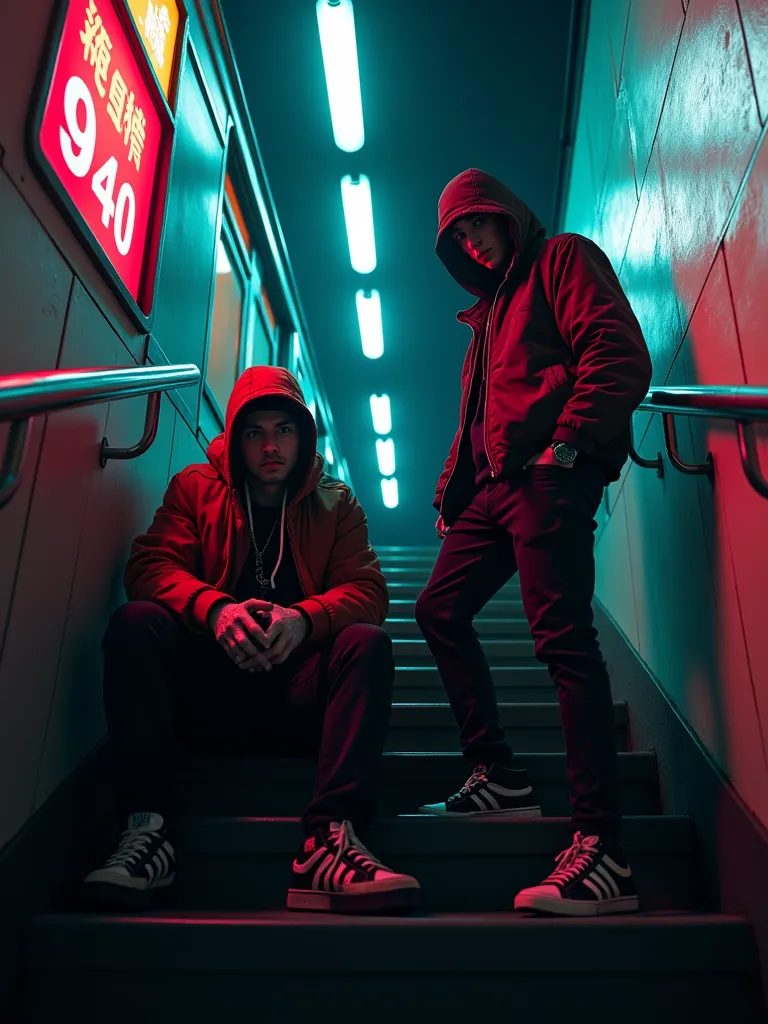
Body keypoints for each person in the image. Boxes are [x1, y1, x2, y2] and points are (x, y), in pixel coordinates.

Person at [82, 365, 421, 915]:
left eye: (284, 431)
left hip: (298, 701)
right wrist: (215, 610)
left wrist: (304, 620)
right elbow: (149, 566)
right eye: (254, 432)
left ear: (303, 438)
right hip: (209, 695)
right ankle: (149, 831)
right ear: (235, 438)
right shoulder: (196, 487)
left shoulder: (337, 503)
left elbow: (368, 590)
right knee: (136, 623)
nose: (270, 446)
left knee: (367, 642)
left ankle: (328, 841)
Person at [415, 168, 652, 916]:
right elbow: (479, 418)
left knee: (563, 644)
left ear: (506, 214)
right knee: (437, 609)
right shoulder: (486, 318)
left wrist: (570, 447)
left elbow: (619, 356)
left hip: (550, 476)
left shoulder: (563, 260)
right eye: (458, 238)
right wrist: (453, 494)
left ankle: (603, 849)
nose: (473, 243)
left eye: (478, 225)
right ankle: (500, 774)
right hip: (494, 492)